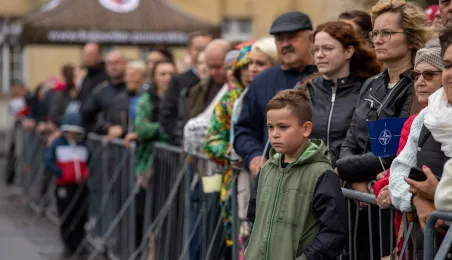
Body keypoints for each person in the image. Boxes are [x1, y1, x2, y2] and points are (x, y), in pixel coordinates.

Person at [335, 0, 431, 258]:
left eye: (387, 33)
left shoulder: (417, 85)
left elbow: (394, 151)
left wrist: (345, 169)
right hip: (360, 201)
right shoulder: (370, 84)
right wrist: (353, 174)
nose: (378, 39)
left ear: (410, 38)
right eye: (375, 33)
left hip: (392, 204)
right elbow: (351, 139)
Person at [245, 88, 347, 260]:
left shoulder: (321, 174)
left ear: (306, 129)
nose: (275, 134)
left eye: (283, 127)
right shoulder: (267, 169)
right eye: (270, 127)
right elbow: (254, 217)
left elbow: (333, 233)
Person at [373, 47, 443, 257]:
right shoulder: (416, 121)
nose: (420, 81)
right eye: (416, 75)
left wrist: (434, 196)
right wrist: (416, 198)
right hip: (415, 231)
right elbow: (397, 175)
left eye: (429, 74)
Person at [234, 11, 317, 178]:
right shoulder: (261, 81)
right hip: (273, 179)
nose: (285, 44)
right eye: (280, 39)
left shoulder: (325, 76)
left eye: (292, 37)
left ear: (311, 39)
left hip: (315, 177)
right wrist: (255, 155)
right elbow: (244, 129)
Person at [304, 21, 380, 167]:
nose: (319, 55)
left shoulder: (369, 90)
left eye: (328, 48)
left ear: (348, 51)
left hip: (350, 179)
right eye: (316, 49)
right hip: (311, 179)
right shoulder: (305, 91)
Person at [203, 44, 252, 256]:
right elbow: (211, 141)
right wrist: (229, 150)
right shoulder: (228, 101)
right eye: (246, 67)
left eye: (257, 65)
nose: (251, 72)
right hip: (234, 184)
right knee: (237, 243)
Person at [44, 112, 90, 257]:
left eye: (76, 131)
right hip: (64, 185)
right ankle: (68, 243)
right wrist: (60, 173)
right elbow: (48, 160)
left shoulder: (82, 145)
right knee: (66, 213)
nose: (73, 134)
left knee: (81, 214)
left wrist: (84, 172)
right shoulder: (58, 143)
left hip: (80, 185)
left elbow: (88, 158)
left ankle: (79, 241)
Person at [159, 31, 213, 145]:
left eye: (206, 49)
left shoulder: (216, 80)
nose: (202, 53)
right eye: (198, 49)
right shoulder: (179, 80)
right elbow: (167, 114)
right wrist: (180, 138)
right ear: (189, 51)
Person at [80, 50, 127, 134]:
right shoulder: (100, 91)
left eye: (117, 63)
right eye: (110, 64)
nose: (113, 67)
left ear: (124, 64)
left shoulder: (132, 89)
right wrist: (106, 128)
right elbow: (87, 115)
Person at [105, 60, 146, 140]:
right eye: (128, 75)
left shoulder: (148, 98)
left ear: (142, 77)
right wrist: (109, 128)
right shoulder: (119, 99)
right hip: (123, 145)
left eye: (134, 75)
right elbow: (108, 119)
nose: (130, 79)